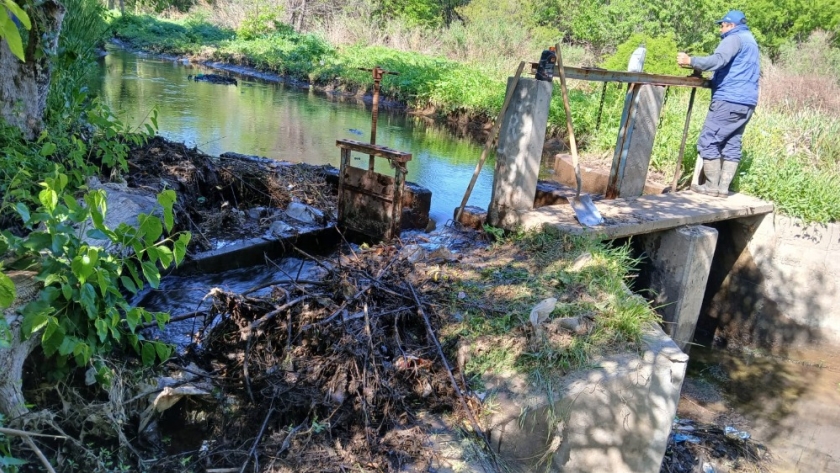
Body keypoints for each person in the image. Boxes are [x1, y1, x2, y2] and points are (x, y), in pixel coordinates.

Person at [677, 9, 760, 197]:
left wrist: (691, 61)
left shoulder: (734, 38)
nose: (720, 29)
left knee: (708, 141)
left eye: (722, 25)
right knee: (732, 143)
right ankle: (723, 189)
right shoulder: (751, 41)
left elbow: (719, 60)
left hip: (729, 99)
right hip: (747, 102)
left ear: (731, 25)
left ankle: (711, 187)